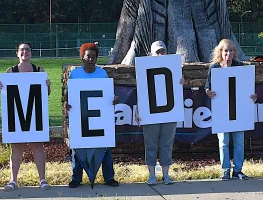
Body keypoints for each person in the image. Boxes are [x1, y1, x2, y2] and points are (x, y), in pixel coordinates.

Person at [0, 43, 53, 191]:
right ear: (17, 53)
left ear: (31, 53)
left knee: (37, 146)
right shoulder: (11, 71)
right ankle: (13, 180)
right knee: (17, 147)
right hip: (17, 113)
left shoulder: (38, 70)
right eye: (22, 50)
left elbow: (46, 94)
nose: (25, 52)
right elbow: (6, 96)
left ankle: (42, 179)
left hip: (34, 113)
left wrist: (47, 86)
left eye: (27, 50)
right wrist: (1, 87)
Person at [65, 43, 121, 188]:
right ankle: (76, 178)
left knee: (105, 147)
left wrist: (113, 99)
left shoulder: (101, 73)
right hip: (81, 117)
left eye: (94, 57)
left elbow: (107, 94)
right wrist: (67, 104)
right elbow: (68, 95)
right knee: (78, 148)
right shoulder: (75, 74)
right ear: (82, 57)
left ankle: (109, 177)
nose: (91, 59)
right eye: (88, 56)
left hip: (99, 117)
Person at [205, 39, 258, 181]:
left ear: (235, 52)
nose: (228, 53)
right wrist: (208, 92)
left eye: (231, 50)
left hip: (238, 111)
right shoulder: (215, 68)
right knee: (223, 142)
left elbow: (248, 88)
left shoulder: (240, 67)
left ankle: (238, 170)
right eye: (225, 50)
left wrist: (252, 96)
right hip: (222, 111)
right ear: (220, 52)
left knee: (239, 141)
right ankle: (225, 170)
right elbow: (208, 87)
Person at [133, 41, 184, 185]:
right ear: (151, 54)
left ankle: (166, 175)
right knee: (151, 144)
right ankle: (152, 176)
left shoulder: (174, 69)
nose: (161, 54)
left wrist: (181, 82)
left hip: (169, 113)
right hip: (150, 113)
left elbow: (177, 91)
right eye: (158, 52)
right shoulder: (145, 70)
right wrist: (137, 111)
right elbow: (141, 94)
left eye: (163, 51)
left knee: (166, 144)